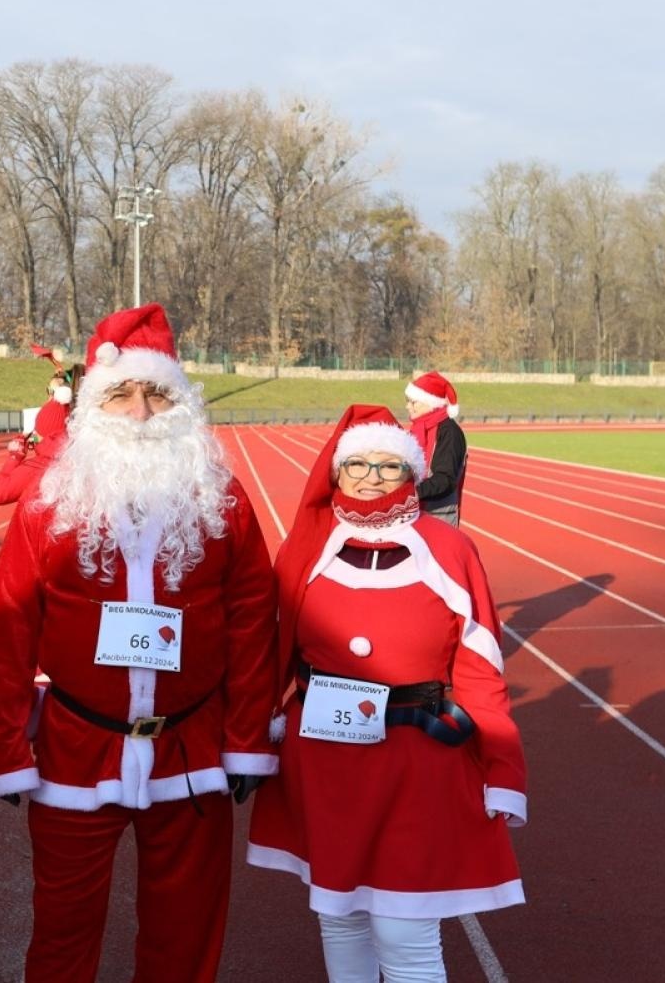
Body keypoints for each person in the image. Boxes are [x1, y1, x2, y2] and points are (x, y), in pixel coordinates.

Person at [0, 303, 279, 983]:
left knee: (186, 932)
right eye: (121, 393)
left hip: (191, 747)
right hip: (75, 748)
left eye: (157, 392)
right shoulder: (48, 501)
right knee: (63, 931)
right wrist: (1, 747)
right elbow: (12, 625)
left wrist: (248, 736)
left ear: (182, 403)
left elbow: (256, 618)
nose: (139, 412)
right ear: (92, 407)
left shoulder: (222, 499)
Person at [246, 404, 526, 983]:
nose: (371, 476)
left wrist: (502, 767)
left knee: (406, 926)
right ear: (336, 473)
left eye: (388, 466)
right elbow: (266, 656)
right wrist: (248, 739)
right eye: (357, 464)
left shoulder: (450, 550)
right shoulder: (302, 552)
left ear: (413, 476)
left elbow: (480, 668)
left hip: (415, 760)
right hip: (324, 760)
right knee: (339, 914)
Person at [0, 351, 80, 506]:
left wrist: (15, 457)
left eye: (36, 432)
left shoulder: (36, 466)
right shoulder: (81, 460)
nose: (33, 436)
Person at [404, 371, 467, 526]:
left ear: (430, 402)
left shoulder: (449, 432)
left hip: (439, 518)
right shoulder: (417, 429)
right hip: (413, 514)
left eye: (413, 402)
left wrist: (409, 493)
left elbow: (445, 479)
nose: (407, 406)